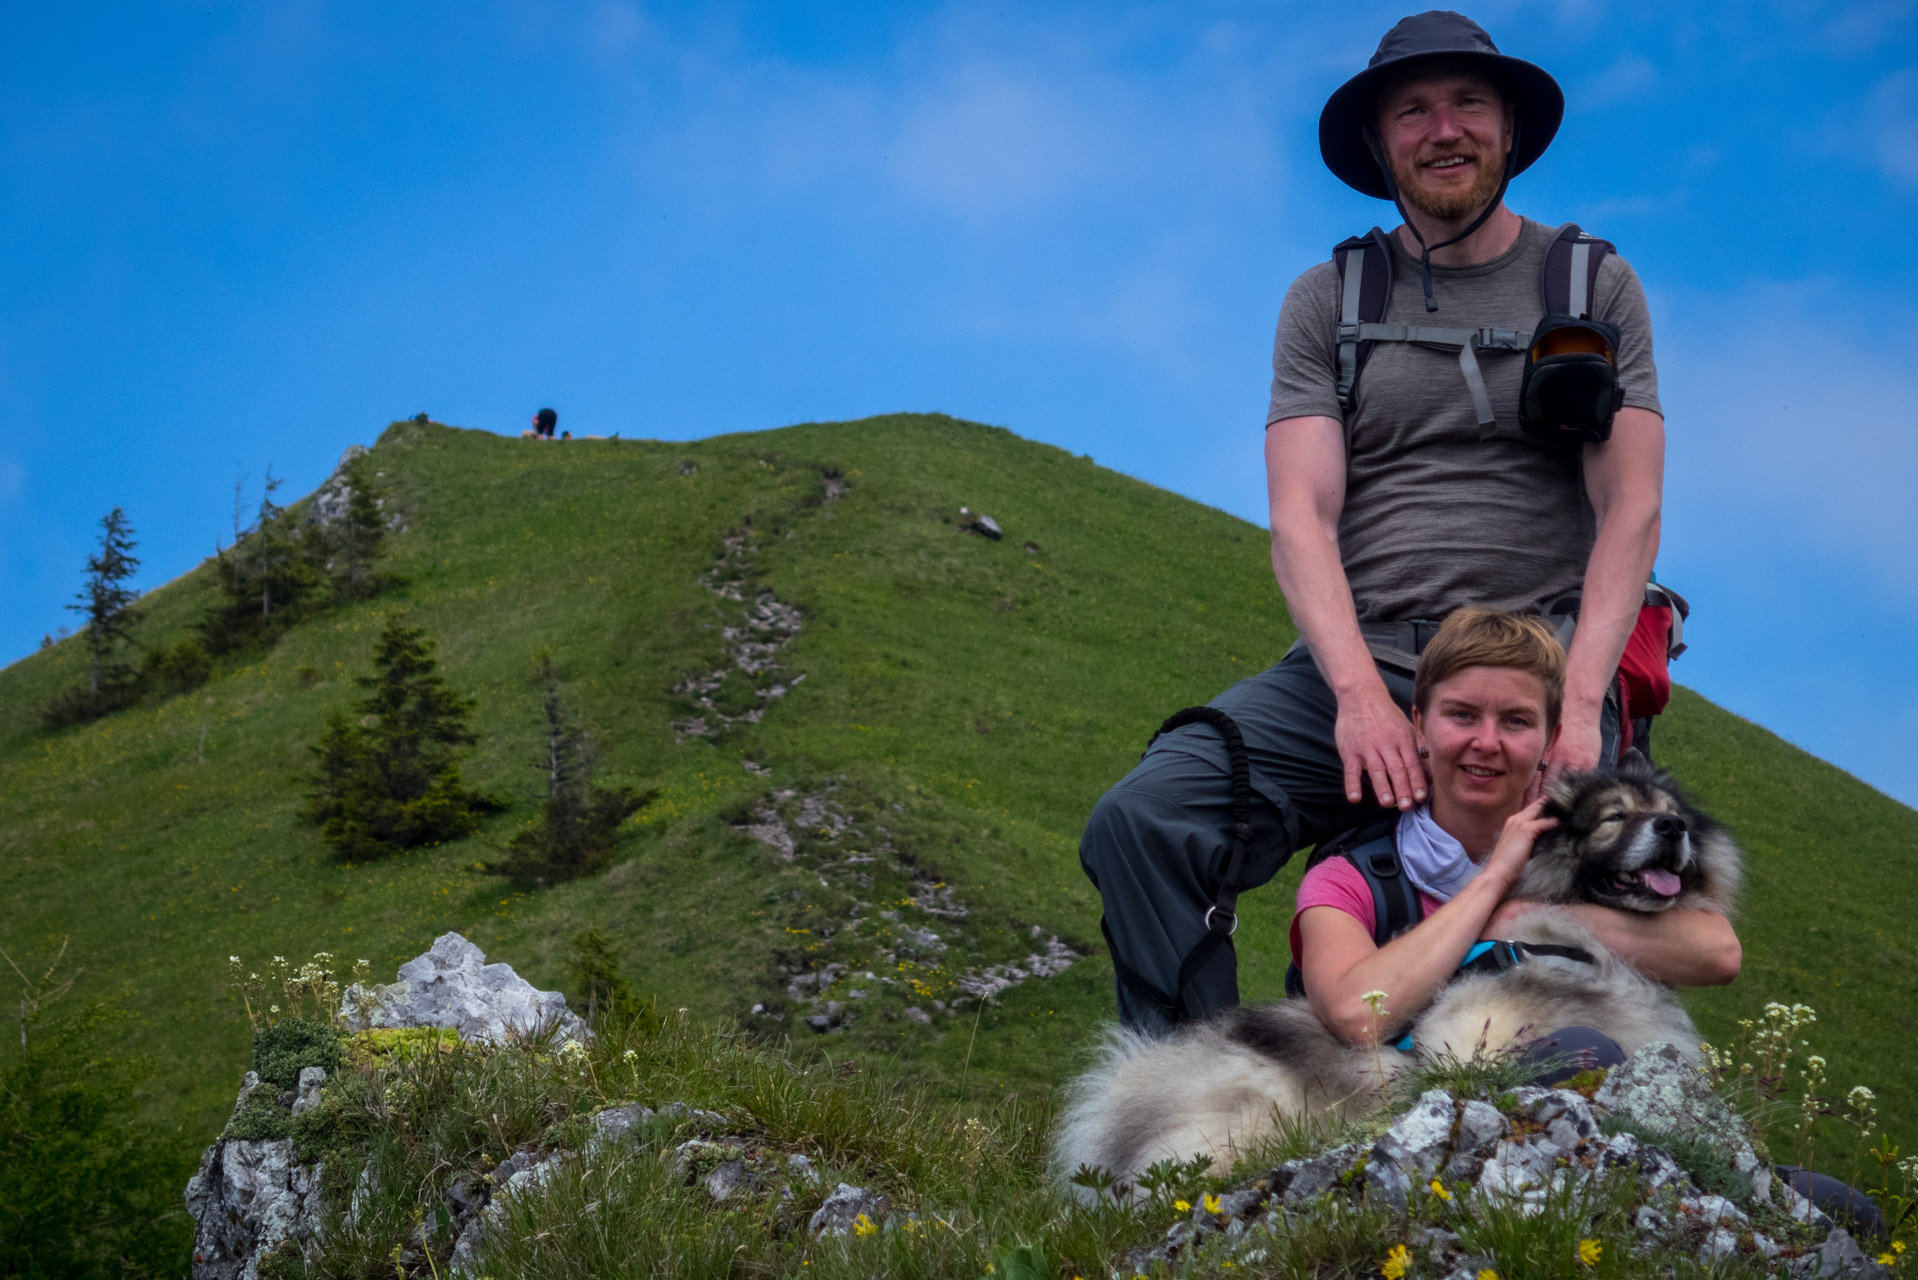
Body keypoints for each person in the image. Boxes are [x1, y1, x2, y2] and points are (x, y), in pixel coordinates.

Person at [1080, 10, 1666, 1035]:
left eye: (1468, 103)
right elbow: (1298, 513)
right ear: (1376, 142)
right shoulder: (1328, 300)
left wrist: (1579, 708)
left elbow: (1632, 505)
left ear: (1509, 130)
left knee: (1595, 879)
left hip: (1538, 661)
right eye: (1413, 111)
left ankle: (1580, 1121)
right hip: (1369, 651)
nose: (1444, 129)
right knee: (1145, 819)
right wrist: (1353, 693)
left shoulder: (1591, 285)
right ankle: (1192, 1112)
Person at [1290, 608, 1739, 1076]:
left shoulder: (1590, 860)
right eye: (1462, 715)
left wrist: (1524, 917)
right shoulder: (1347, 880)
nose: (1486, 742)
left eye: (1516, 721)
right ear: (1420, 724)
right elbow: (1356, 1016)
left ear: (1552, 738)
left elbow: (1718, 952)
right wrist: (1493, 885)